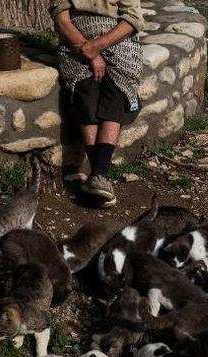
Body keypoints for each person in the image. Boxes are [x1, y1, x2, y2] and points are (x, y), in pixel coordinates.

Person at [51, 0, 144, 207]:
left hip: (119, 42)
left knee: (116, 91)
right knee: (85, 92)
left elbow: (132, 19)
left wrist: (96, 47)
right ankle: (100, 177)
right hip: (76, 44)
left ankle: (97, 175)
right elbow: (62, 19)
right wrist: (88, 51)